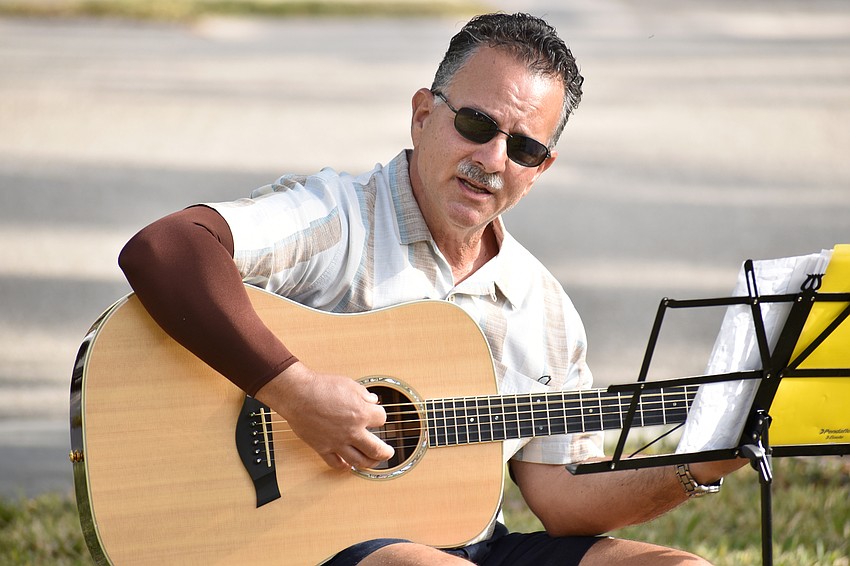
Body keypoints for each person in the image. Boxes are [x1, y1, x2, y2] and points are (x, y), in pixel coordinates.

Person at [119, 12, 743, 566]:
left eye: (524, 147)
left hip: (472, 544)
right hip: (318, 544)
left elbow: (562, 497)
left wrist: (704, 463)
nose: (493, 158)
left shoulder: (543, 306)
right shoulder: (340, 219)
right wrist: (296, 392)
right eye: (476, 124)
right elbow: (167, 248)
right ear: (422, 114)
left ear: (541, 168)